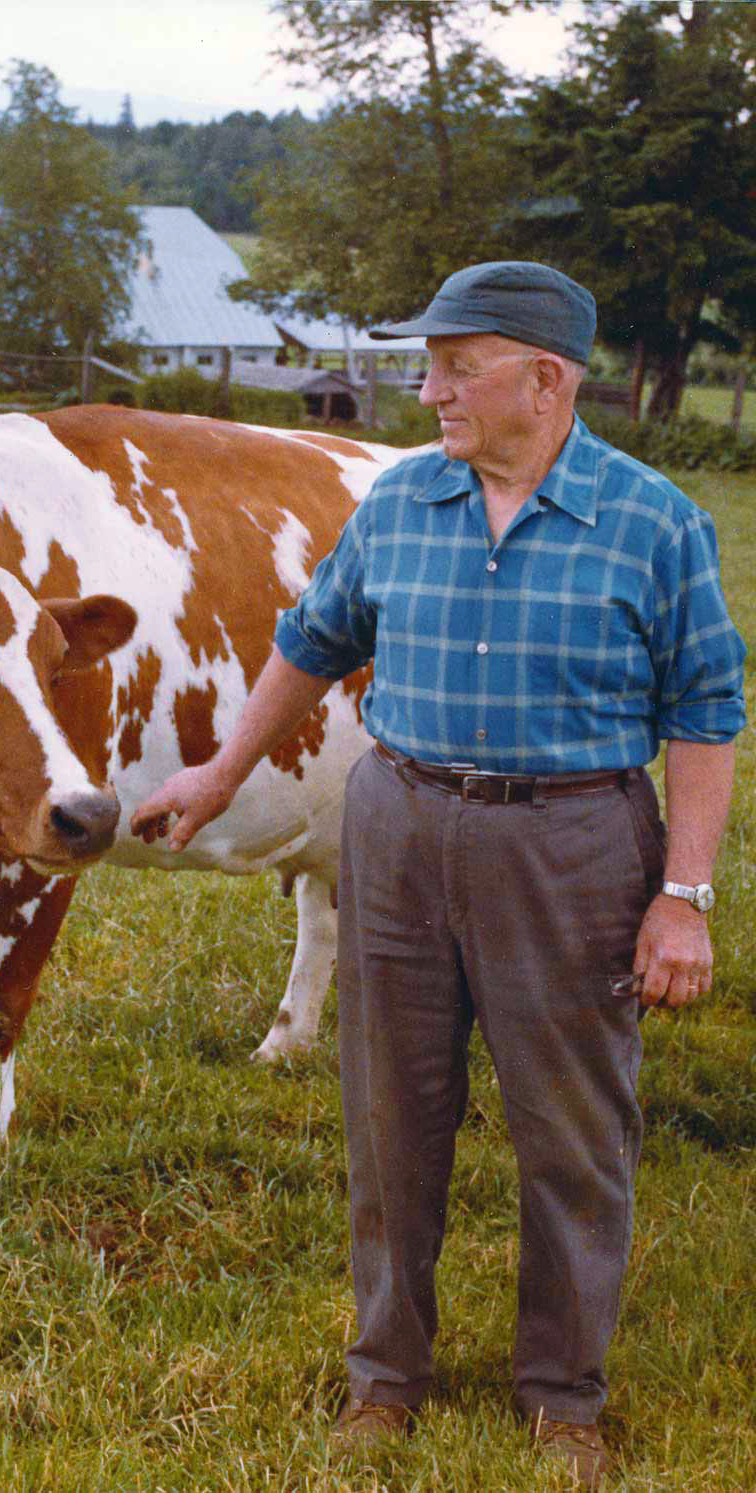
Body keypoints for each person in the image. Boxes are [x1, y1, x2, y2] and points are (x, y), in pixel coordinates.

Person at [130, 261, 746, 1486]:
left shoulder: (653, 521)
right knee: (389, 1114)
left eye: (455, 368)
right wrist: (212, 772)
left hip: (569, 845)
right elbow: (309, 643)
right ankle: (385, 1378)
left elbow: (704, 712)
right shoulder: (402, 500)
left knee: (571, 1131)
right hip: (398, 829)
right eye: (430, 366)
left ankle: (563, 1394)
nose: (430, 391)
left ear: (545, 378)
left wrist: (681, 894)